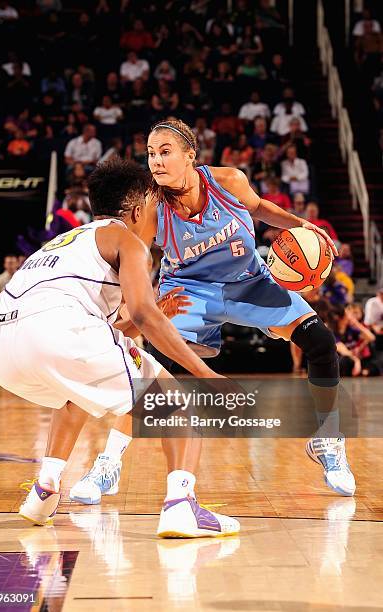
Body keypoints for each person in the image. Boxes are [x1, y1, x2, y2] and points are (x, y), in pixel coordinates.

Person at [70, 118, 356, 505]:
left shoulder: (229, 181)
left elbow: (261, 209)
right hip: (188, 293)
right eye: (150, 153)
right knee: (155, 367)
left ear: (191, 154)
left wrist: (305, 225)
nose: (155, 161)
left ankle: (327, 441)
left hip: (249, 281)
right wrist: (138, 304)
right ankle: (108, 464)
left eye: (165, 152)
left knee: (320, 342)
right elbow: (132, 259)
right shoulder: (151, 208)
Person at [0, 159, 240, 538]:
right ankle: (181, 505)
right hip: (56, 331)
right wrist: (206, 373)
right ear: (137, 211)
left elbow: (102, 331)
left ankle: (44, 491)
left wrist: (146, 314)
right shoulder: (126, 239)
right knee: (174, 402)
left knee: (76, 393)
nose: (159, 221)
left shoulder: (68, 240)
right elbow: (140, 314)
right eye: (156, 211)